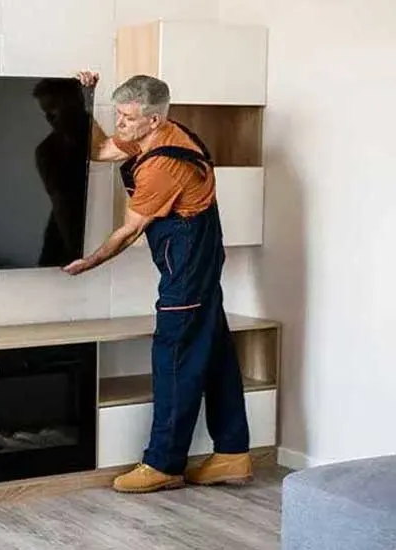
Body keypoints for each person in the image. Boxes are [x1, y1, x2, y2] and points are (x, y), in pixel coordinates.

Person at [64, 71, 254, 493]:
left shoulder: (164, 165)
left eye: (129, 118)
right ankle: (232, 453)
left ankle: (164, 463)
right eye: (118, 115)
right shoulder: (155, 134)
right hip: (196, 258)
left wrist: (88, 262)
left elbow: (129, 232)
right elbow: (98, 149)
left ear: (153, 120)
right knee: (215, 352)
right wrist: (85, 97)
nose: (121, 125)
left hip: (187, 266)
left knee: (174, 357)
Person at [32, 78, 93, 267]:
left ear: (75, 101)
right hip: (66, 235)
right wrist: (75, 252)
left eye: (52, 107)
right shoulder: (47, 150)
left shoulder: (105, 133)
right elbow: (61, 204)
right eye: (45, 111)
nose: (49, 117)